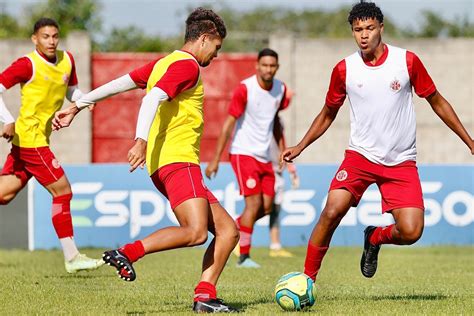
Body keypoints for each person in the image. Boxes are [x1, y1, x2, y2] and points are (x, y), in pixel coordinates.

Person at [53, 8, 239, 313]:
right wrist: (140, 139)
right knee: (195, 232)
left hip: (164, 164)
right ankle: (127, 252)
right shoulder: (188, 66)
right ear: (205, 38)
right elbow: (152, 98)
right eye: (216, 47)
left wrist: (77, 105)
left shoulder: (163, 63)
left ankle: (205, 296)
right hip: (178, 161)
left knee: (228, 231)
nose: (216, 56)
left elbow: (119, 83)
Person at [281, 2, 474, 282]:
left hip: (400, 162)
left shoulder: (406, 61)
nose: (363, 35)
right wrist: (300, 146)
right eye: (357, 30)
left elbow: (437, 101)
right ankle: (306, 279)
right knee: (332, 210)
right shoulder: (344, 69)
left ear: (381, 28)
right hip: (360, 157)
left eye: (369, 28)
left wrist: (468, 140)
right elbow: (327, 114)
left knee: (411, 231)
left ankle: (374, 236)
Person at [0, 18, 103, 273]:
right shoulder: (27, 64)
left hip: (35, 140)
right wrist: (8, 119)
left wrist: (84, 100)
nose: (51, 41)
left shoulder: (67, 60)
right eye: (45, 37)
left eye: (55, 36)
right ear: (35, 39)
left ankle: (72, 257)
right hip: (31, 140)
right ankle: (72, 257)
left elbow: (73, 92)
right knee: (63, 192)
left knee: (4, 193)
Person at [205, 48, 290, 268]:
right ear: (257, 66)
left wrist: (283, 150)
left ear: (277, 67)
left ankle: (233, 227)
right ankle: (244, 256)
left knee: (268, 206)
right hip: (243, 152)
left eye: (272, 66)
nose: (268, 69)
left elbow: (275, 123)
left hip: (264, 156)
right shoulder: (245, 89)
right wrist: (215, 159)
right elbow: (228, 124)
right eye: (265, 65)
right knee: (252, 205)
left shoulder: (280, 89)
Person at [268, 116, 299, 258]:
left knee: (275, 208)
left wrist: (290, 167)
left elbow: (282, 142)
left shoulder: (278, 119)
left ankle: (275, 245)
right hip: (266, 168)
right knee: (260, 207)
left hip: (277, 168)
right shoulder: (266, 116)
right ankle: (240, 234)